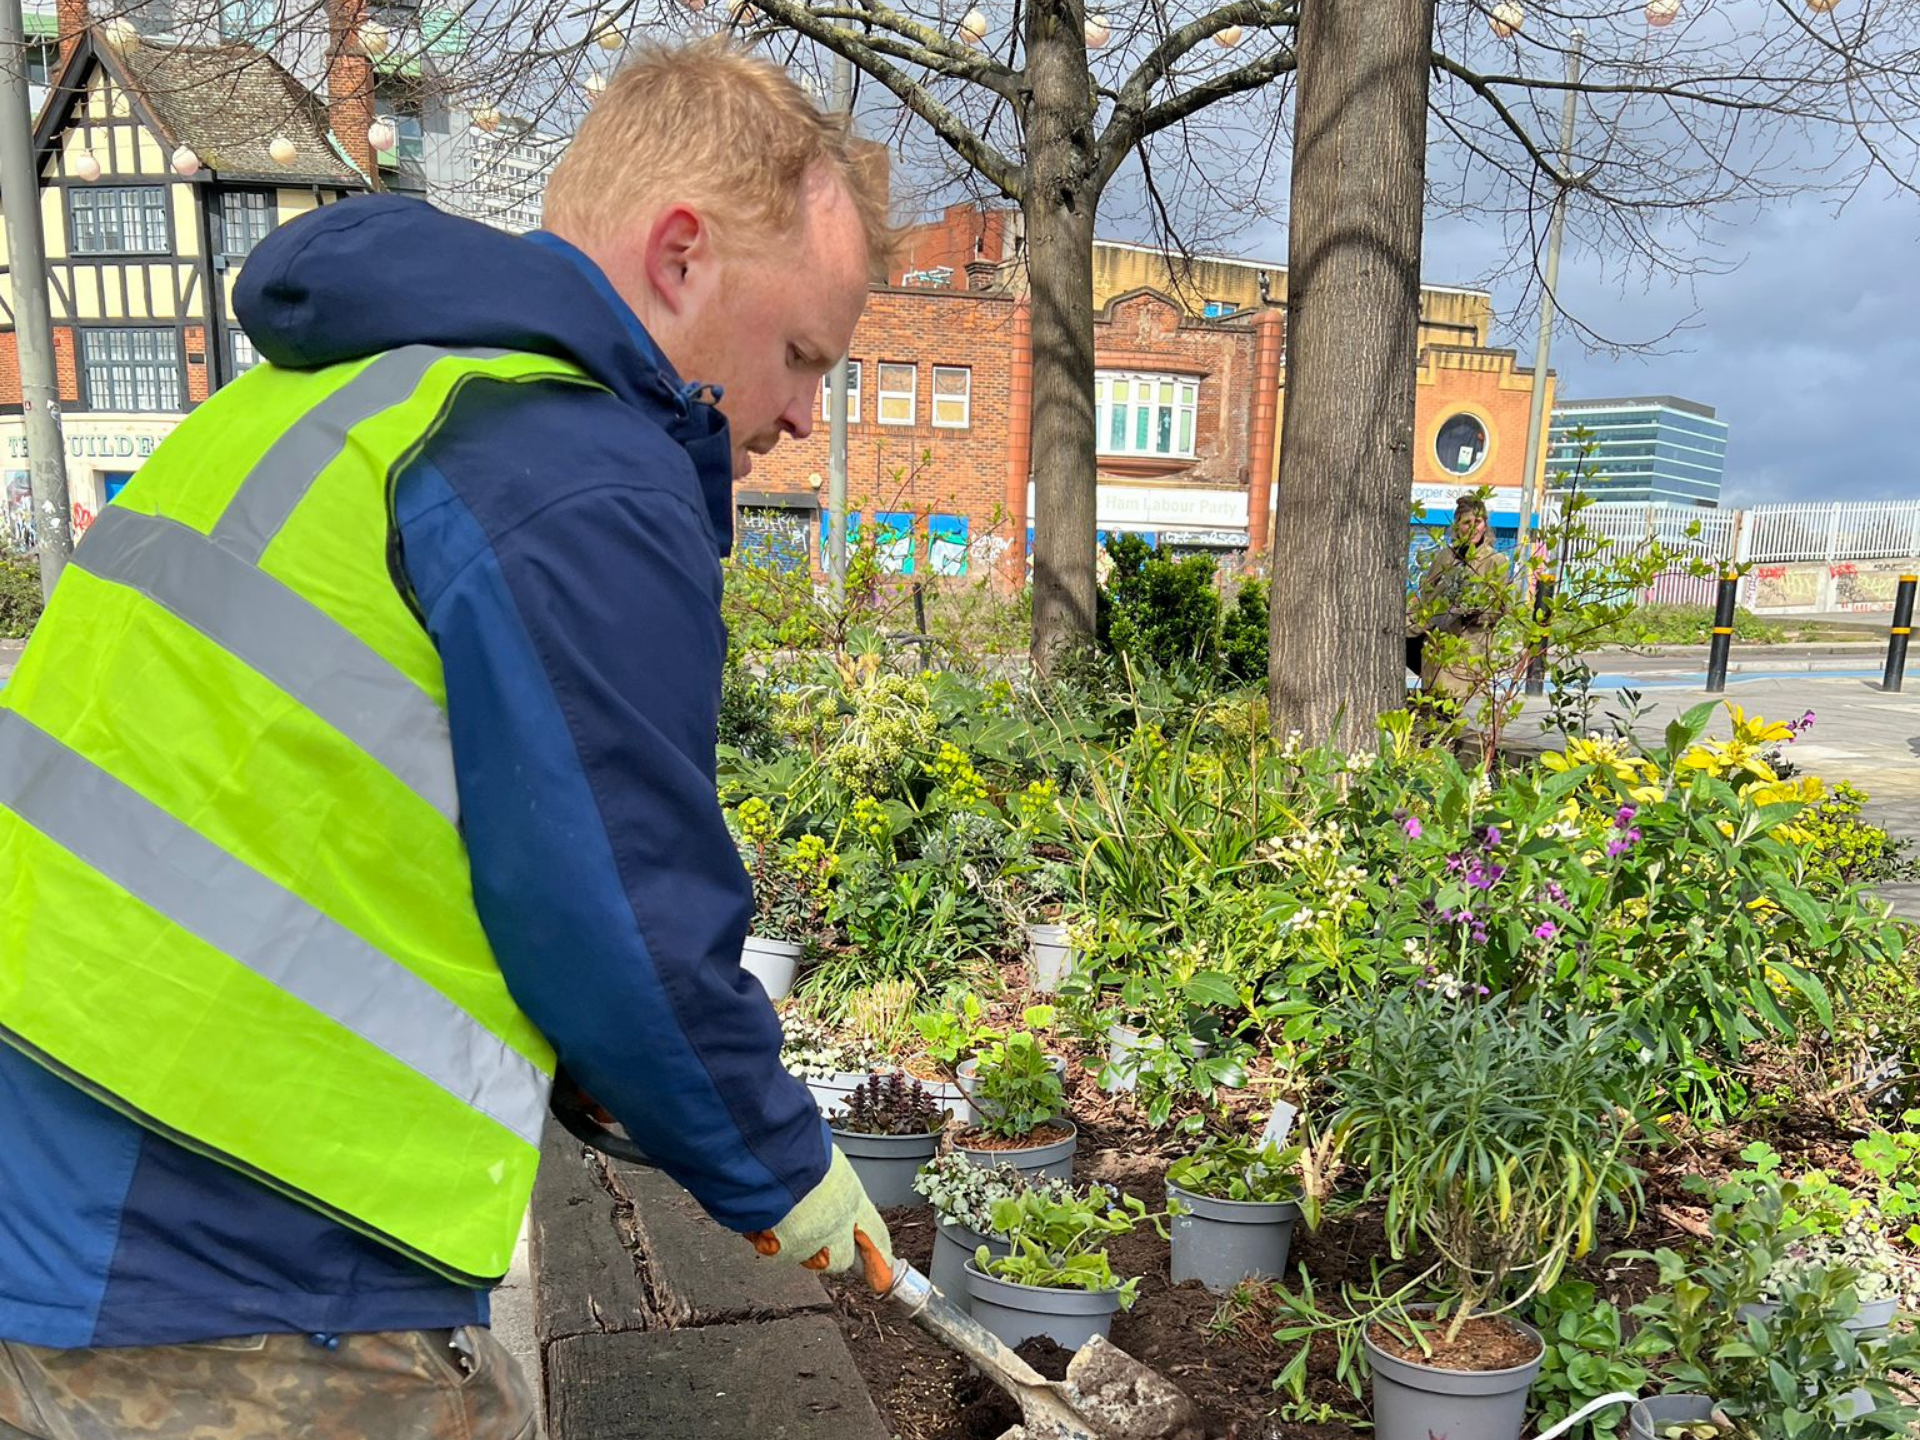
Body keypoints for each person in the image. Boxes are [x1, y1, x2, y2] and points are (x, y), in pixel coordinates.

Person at [0, 40, 893, 1440]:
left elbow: (351, 805)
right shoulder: (573, 469)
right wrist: (786, 1170)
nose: (798, 416)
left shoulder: (328, 396)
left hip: (62, 1186)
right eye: (800, 356)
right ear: (680, 257)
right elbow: (628, 923)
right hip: (238, 1252)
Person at [1407, 496, 1508, 708]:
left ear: (1485, 524)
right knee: (1432, 704)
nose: (1473, 528)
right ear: (1457, 526)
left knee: (1448, 706)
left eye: (1478, 522)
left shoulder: (1495, 561)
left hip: (1466, 647)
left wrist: (1474, 611)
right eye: (1466, 523)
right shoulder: (1445, 556)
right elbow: (1427, 593)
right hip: (1437, 641)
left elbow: (1500, 609)